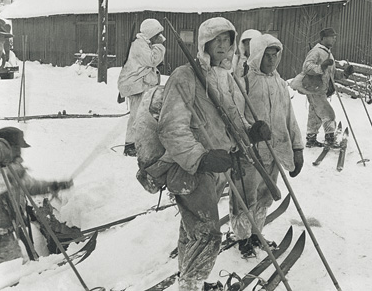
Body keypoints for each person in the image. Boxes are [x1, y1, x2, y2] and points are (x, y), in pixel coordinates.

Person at [156, 17, 270, 291]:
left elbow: (231, 120)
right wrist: (200, 157)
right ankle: (192, 285)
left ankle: (188, 279)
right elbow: (171, 127)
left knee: (192, 229)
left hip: (217, 169)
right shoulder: (186, 76)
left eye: (227, 40)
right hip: (190, 169)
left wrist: (250, 132)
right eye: (216, 40)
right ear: (204, 43)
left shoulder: (224, 78)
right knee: (207, 234)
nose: (222, 46)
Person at [230, 34, 304, 257]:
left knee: (264, 196)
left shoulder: (281, 84)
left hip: (275, 151)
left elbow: (289, 117)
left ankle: (256, 233)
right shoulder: (244, 82)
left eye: (275, 56)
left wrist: (297, 148)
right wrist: (249, 132)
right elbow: (236, 116)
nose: (271, 60)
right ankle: (242, 238)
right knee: (245, 196)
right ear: (257, 56)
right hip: (250, 153)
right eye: (267, 56)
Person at [0, 127, 73, 264]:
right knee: (12, 271)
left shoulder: (13, 169)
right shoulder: (3, 171)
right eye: (17, 147)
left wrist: (54, 186)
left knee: (17, 267)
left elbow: (30, 186)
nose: (20, 151)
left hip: (8, 231)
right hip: (0, 235)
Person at [297, 27, 353, 148]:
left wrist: (345, 74)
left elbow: (331, 73)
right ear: (323, 38)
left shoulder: (328, 53)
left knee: (315, 114)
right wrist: (321, 67)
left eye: (335, 37)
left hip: (319, 88)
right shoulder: (316, 51)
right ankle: (330, 138)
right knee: (328, 114)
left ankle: (311, 139)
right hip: (314, 87)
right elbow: (307, 67)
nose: (334, 39)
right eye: (332, 37)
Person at [118, 19, 166, 157]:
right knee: (136, 115)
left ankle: (140, 143)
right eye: (158, 35)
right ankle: (130, 145)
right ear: (151, 33)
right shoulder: (139, 44)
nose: (160, 38)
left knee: (143, 116)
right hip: (136, 85)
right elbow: (152, 60)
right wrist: (159, 46)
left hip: (141, 84)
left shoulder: (145, 43)